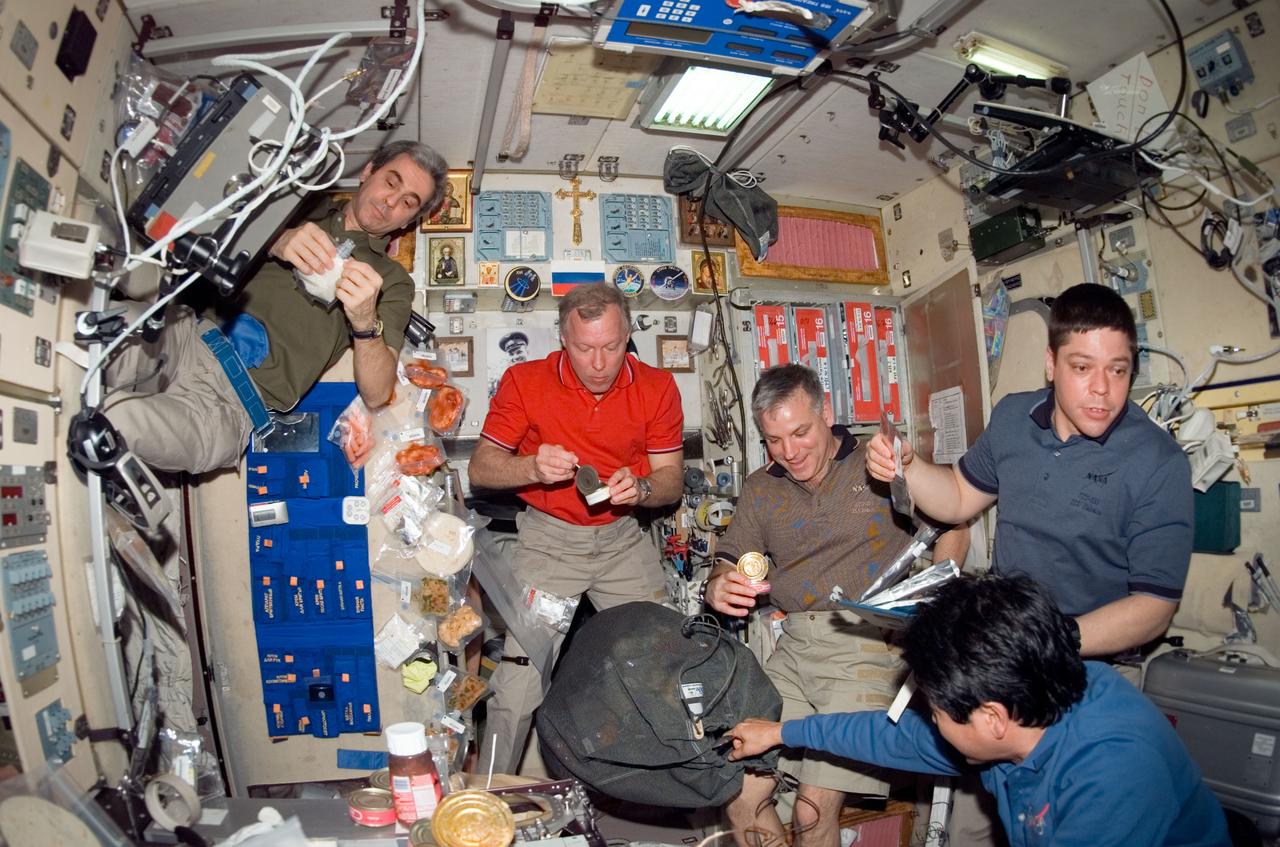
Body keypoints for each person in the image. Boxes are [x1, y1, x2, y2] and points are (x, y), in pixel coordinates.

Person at [726, 574, 1230, 847]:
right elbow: (888, 737)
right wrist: (780, 732)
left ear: (991, 719)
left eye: (938, 711)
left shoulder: (1113, 775)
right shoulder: (1027, 701)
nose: (931, 719)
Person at [704, 364, 968, 847]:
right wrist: (719, 584)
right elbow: (727, 559)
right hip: (794, 646)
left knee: (810, 810)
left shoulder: (878, 460)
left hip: (865, 645)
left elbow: (955, 524)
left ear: (826, 413)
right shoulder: (763, 486)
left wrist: (937, 598)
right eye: (775, 440)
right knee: (740, 795)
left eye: (800, 432)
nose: (789, 451)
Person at [866, 283, 1193, 658]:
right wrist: (909, 465)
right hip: (1005, 640)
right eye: (1083, 367)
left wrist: (1044, 641)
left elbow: (1154, 608)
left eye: (1118, 370)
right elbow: (957, 496)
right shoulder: (1012, 418)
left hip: (1090, 659)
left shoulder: (1158, 462)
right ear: (1051, 364)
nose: (1102, 388)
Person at [102, 140, 449, 474]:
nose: (391, 202)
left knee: (115, 423)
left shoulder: (392, 281)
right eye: (391, 181)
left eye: (407, 202)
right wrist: (274, 238)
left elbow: (377, 393)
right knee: (97, 343)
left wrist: (364, 321)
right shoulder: (300, 202)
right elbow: (193, 221)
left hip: (231, 407)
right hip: (184, 337)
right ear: (368, 172)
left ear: (409, 221)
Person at [468, 283, 685, 774]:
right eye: (584, 348)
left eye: (611, 346)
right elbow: (480, 469)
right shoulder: (525, 381)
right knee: (520, 683)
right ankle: (487, 803)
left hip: (622, 540)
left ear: (629, 334)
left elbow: (670, 478)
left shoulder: (658, 387)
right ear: (562, 339)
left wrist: (645, 489)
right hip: (550, 541)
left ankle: (680, 791)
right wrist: (531, 468)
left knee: (664, 662)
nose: (599, 362)